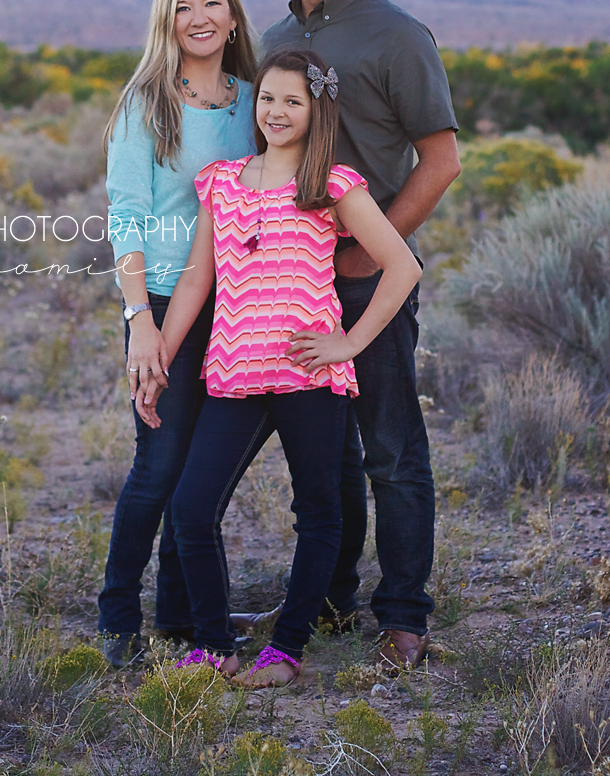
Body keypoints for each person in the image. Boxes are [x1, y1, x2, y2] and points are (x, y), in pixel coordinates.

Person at [139, 47, 423, 686]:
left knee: (319, 511)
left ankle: (286, 651)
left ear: (315, 109)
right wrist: (158, 351)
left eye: (293, 100)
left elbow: (402, 266)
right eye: (268, 97)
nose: (276, 111)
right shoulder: (222, 181)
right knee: (190, 507)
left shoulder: (333, 184)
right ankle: (214, 645)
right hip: (235, 372)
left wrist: (348, 343)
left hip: (308, 377)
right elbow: (194, 282)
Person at [259, 0, 460, 671]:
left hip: (365, 275)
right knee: (323, 448)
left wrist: (369, 251)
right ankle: (334, 597)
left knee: (390, 445)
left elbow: (441, 161)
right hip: (291, 278)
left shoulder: (396, 34)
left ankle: (404, 615)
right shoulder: (277, 37)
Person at [94, 0, 258, 667]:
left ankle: (179, 612)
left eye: (212, 3)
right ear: (168, 18)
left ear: (232, 15)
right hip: (161, 299)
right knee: (159, 465)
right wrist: (140, 322)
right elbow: (125, 217)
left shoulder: (256, 102)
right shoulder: (146, 104)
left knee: (201, 473)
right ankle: (117, 616)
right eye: (184, 6)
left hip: (238, 304)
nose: (199, 18)